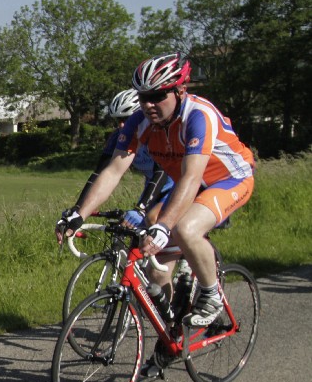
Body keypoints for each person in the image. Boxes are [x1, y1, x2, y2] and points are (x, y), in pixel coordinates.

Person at [56, 53, 255, 332]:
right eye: (143, 97)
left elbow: (191, 177)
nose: (148, 104)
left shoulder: (198, 116)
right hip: (190, 183)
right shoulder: (139, 122)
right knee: (155, 268)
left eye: (157, 96)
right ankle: (171, 333)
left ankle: (211, 295)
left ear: (180, 90)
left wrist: (165, 225)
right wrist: (79, 214)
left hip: (228, 179)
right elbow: (113, 171)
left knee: (184, 228)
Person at [71, 89, 174, 230]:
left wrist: (141, 208)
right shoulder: (119, 137)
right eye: (118, 120)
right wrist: (77, 209)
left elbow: (161, 172)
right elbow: (99, 173)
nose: (121, 126)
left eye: (126, 119)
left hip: (175, 183)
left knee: (152, 219)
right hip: (152, 185)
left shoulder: (157, 133)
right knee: (136, 231)